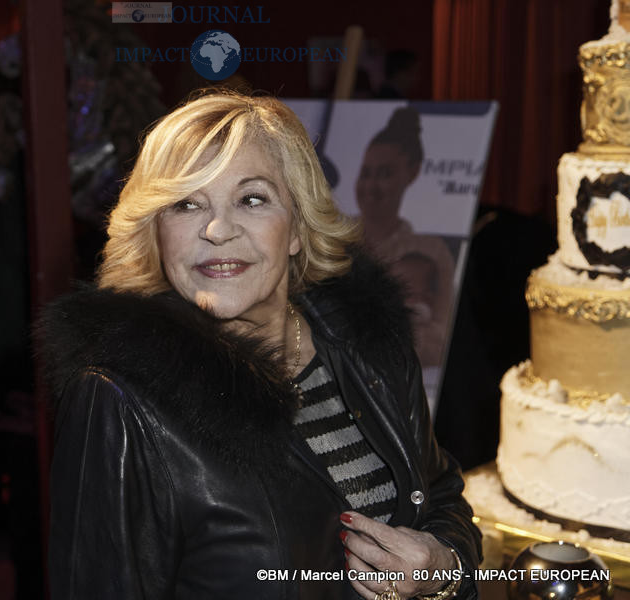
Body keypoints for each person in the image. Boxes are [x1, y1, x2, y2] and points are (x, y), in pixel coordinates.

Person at [39, 91, 481, 599]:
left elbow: (441, 495)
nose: (217, 230)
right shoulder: (119, 401)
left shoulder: (365, 342)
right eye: (186, 204)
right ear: (157, 233)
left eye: (251, 199)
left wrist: (442, 569)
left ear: (296, 227)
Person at [356, 106, 455, 368]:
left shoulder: (431, 251)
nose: (371, 186)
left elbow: (439, 342)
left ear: (412, 173)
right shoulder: (330, 235)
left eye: (385, 173)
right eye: (366, 173)